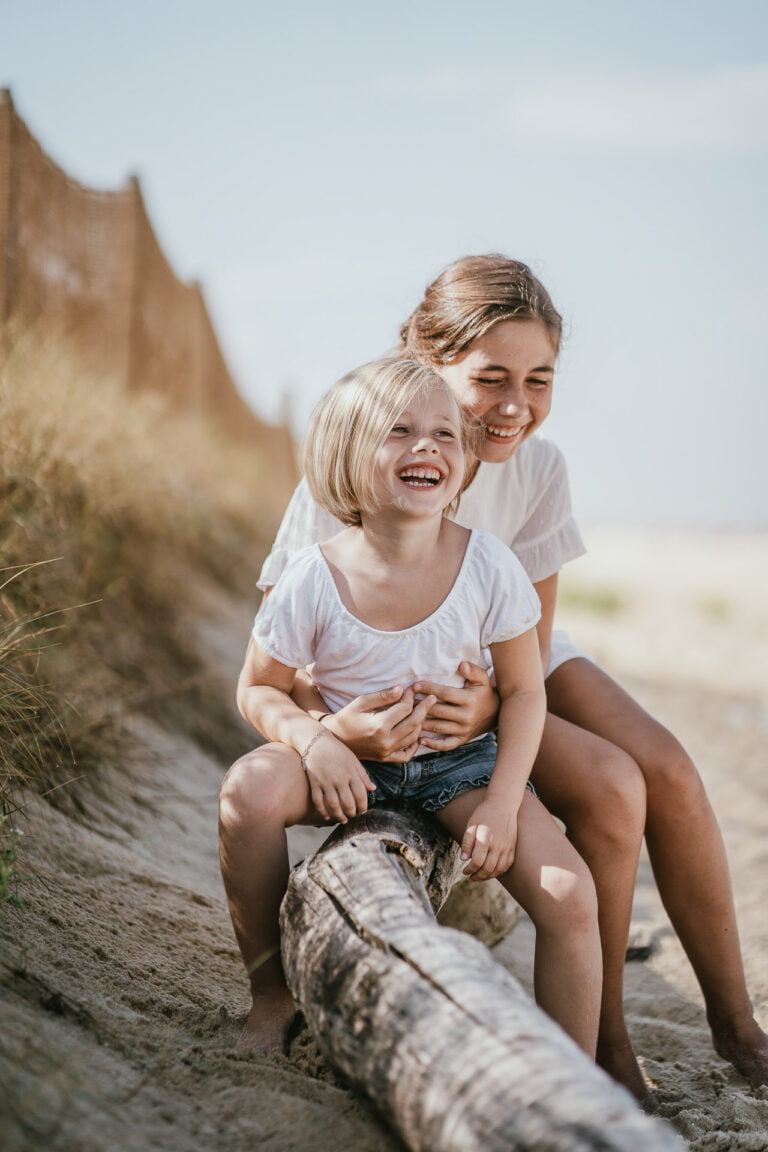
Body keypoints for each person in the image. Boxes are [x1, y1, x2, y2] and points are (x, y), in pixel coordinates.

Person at [220, 255, 768, 1104]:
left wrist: (485, 709)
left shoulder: (538, 470)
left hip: (501, 659)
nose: (515, 406)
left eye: (538, 380)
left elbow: (532, 648)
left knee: (656, 771)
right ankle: (604, 1042)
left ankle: (713, 1029)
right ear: (429, 363)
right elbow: (285, 665)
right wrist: (329, 734)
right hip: (380, 683)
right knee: (612, 785)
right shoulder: (361, 461)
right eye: (490, 379)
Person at [223, 357, 603, 1062]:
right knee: (247, 792)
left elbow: (524, 691)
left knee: (569, 891)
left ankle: (571, 1076)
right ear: (345, 456)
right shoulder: (315, 575)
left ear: (462, 467)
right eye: (399, 431)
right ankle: (271, 994)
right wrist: (318, 743)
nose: (426, 446)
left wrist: (501, 803)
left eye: (444, 435)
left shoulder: (490, 566)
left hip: (460, 768)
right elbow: (258, 688)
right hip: (350, 763)